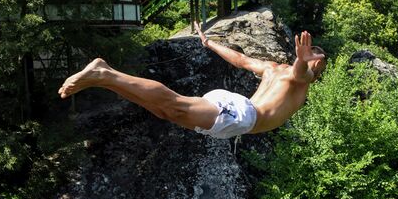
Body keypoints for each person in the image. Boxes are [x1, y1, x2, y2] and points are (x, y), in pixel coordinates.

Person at [58, 28, 326, 138]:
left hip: (237, 111)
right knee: (176, 106)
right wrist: (303, 61)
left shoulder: (277, 70)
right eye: (315, 57)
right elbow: (297, 73)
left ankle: (105, 80)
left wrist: (210, 43)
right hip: (243, 115)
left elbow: (242, 60)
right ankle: (106, 74)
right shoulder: (300, 80)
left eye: (318, 62)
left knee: (165, 112)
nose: (315, 63)